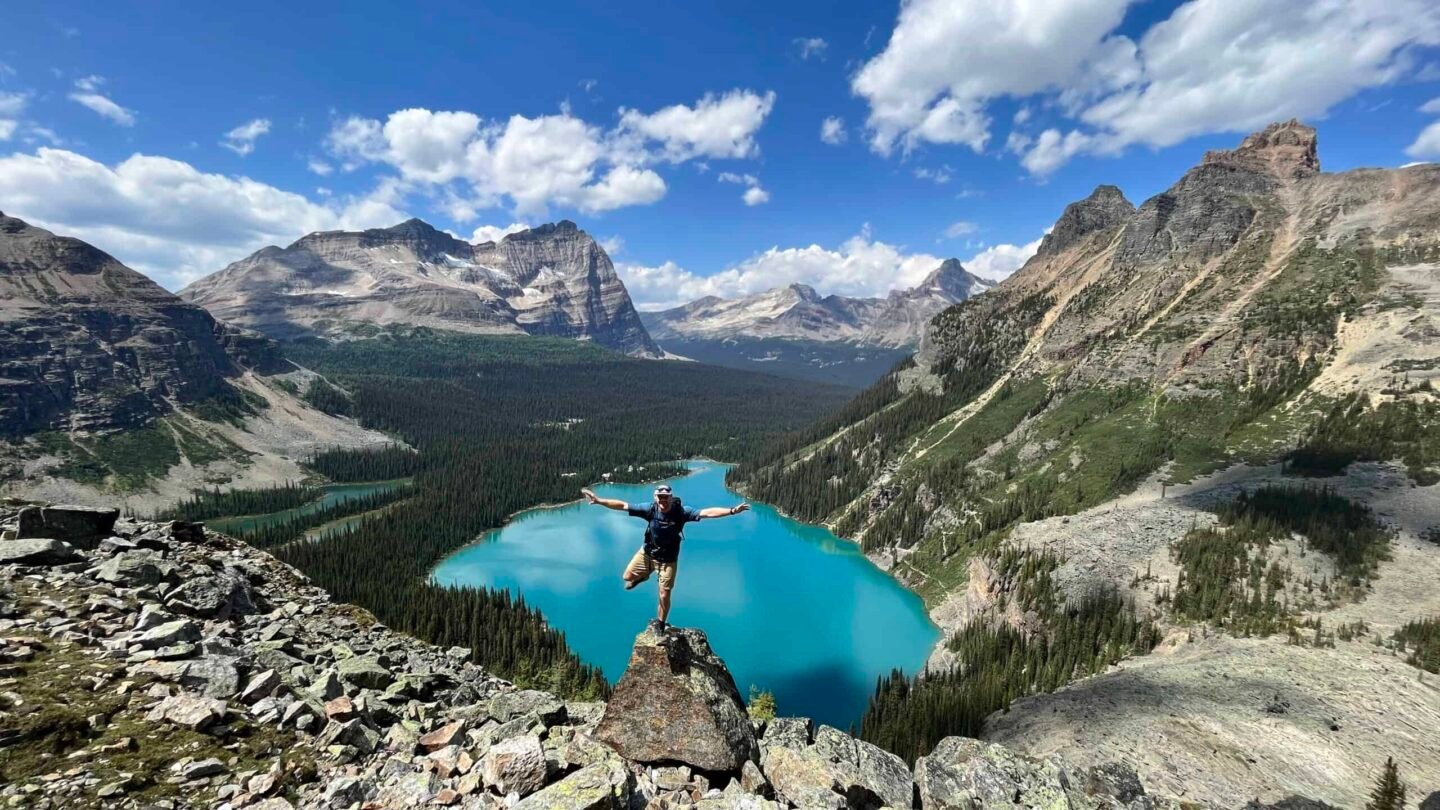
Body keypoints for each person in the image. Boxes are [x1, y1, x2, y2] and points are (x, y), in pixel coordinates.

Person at [581, 483, 749, 629]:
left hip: (668, 561)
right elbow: (623, 505)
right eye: (660, 497)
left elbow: (707, 513)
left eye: (665, 497)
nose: (663, 500)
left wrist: (732, 511)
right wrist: (600, 501)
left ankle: (660, 625)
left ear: (671, 497)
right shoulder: (650, 510)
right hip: (647, 553)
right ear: (656, 498)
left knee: (664, 594)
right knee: (627, 576)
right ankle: (643, 576)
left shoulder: (681, 512)